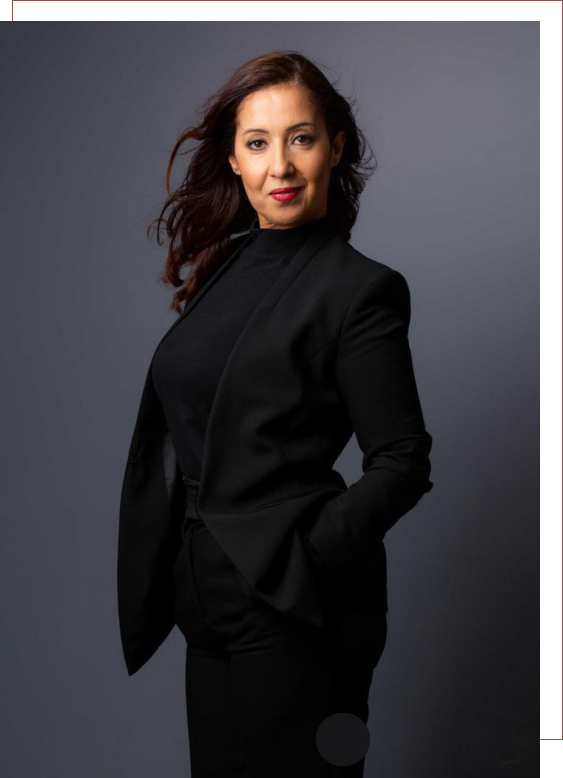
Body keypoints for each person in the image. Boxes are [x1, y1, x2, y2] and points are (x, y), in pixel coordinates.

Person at [117, 51, 434, 778]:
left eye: (301, 138)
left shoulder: (360, 290)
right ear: (234, 158)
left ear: (335, 148)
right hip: (204, 604)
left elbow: (403, 461)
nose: (280, 166)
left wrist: (306, 554)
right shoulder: (224, 268)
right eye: (258, 143)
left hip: (293, 603)